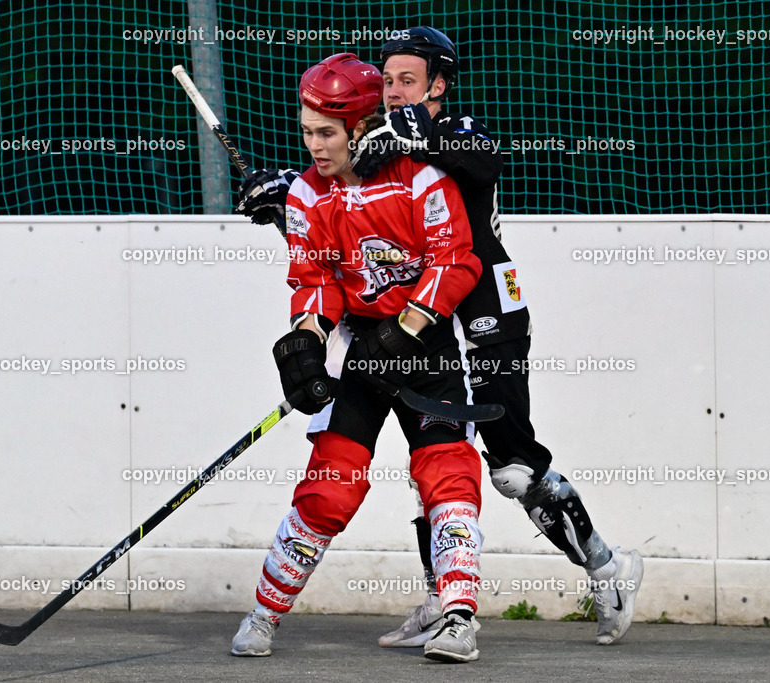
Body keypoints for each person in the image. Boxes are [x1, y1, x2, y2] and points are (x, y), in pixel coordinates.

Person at [237, 28, 643, 648]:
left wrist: (395, 140)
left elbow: (475, 163)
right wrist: (287, 189)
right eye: (388, 79)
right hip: (421, 324)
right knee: (435, 458)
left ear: (438, 87)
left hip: (486, 314)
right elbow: (350, 199)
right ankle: (442, 601)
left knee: (508, 467)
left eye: (409, 80)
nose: (396, 90)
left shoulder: (455, 133)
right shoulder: (377, 144)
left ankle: (606, 567)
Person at [230, 52, 486, 663]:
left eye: (326, 133)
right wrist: (306, 346)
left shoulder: (421, 179)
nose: (314, 146)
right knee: (330, 488)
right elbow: (313, 280)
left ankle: (457, 617)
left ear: (364, 125)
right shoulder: (306, 195)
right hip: (360, 351)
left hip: (424, 350)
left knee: (447, 473)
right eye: (306, 132)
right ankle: (265, 611)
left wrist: (406, 329)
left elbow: (457, 262)